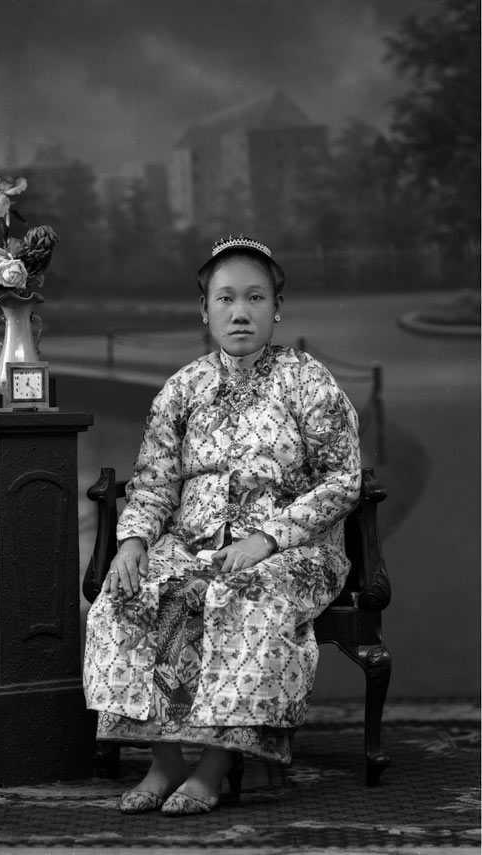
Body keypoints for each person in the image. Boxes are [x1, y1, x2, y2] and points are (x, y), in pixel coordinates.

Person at [83, 235, 361, 816]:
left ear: (276, 307)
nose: (241, 312)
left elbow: (342, 479)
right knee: (130, 594)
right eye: (226, 298)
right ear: (204, 309)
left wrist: (266, 540)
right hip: (192, 544)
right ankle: (166, 762)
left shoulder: (306, 380)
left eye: (256, 298)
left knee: (244, 593)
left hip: (293, 549)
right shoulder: (182, 389)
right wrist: (133, 541)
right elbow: (155, 482)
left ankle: (215, 766)